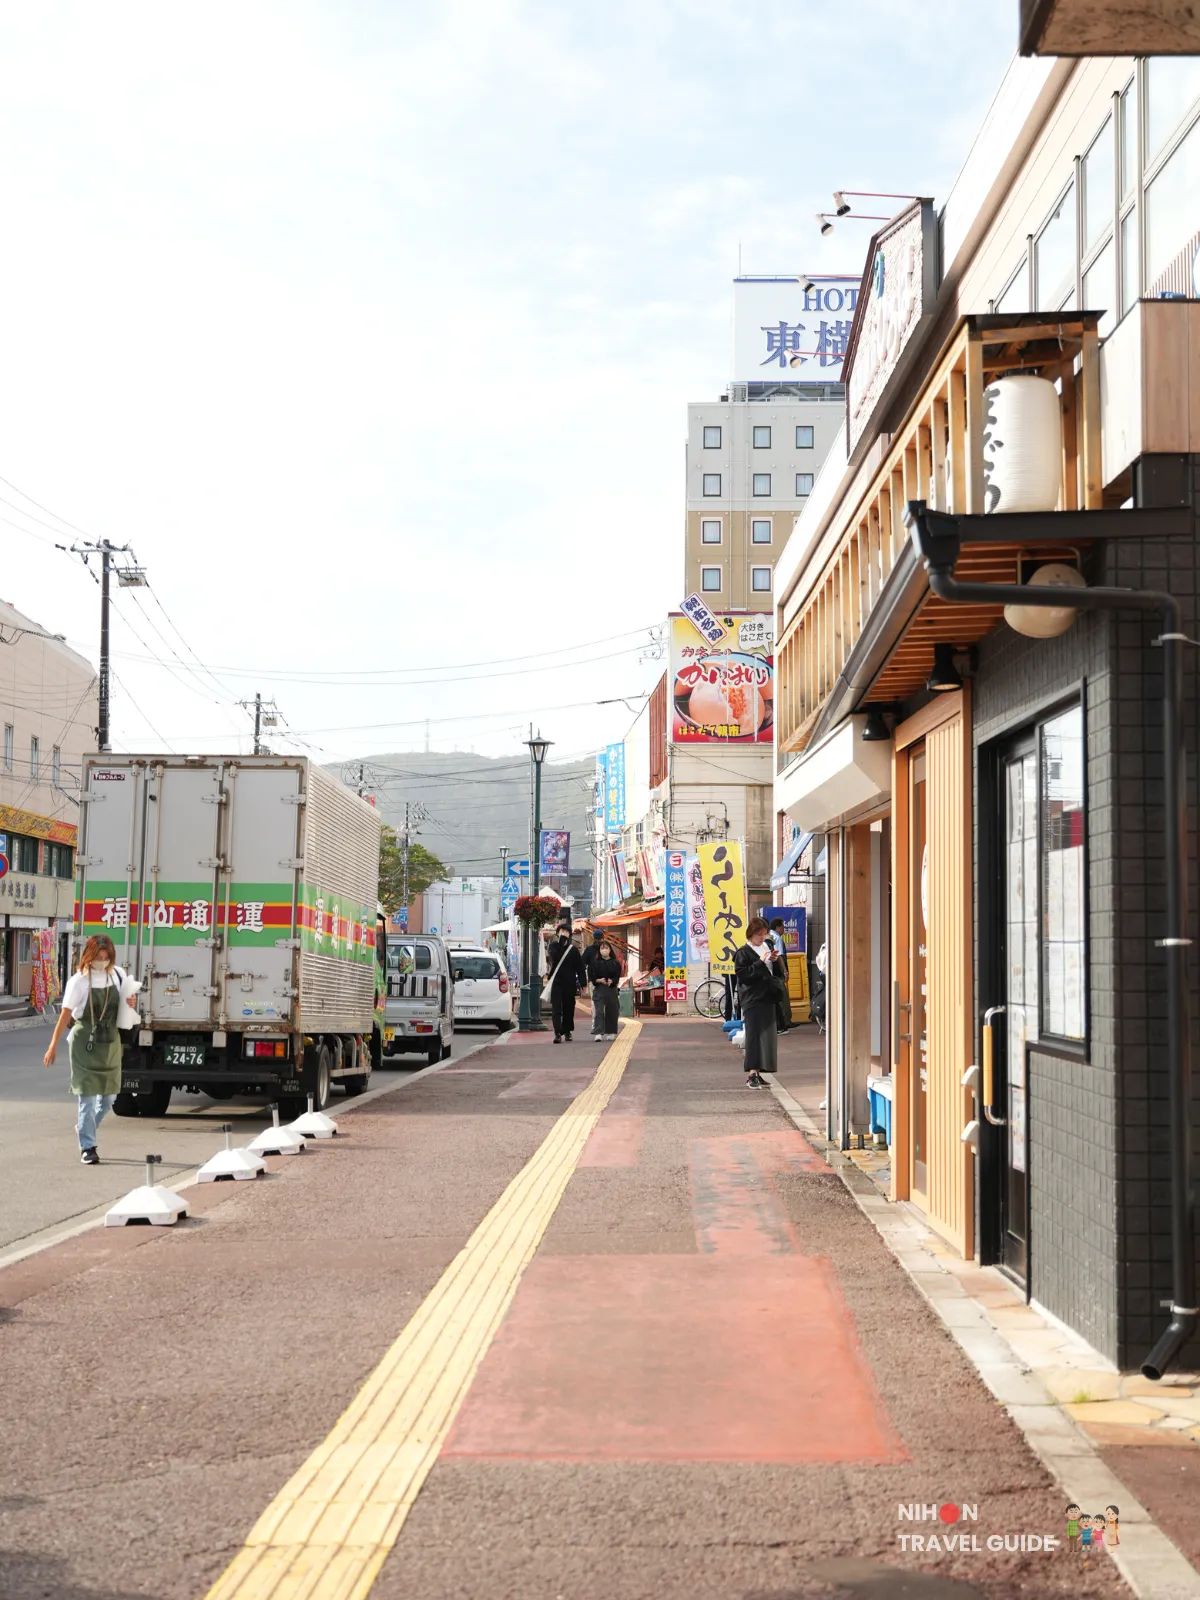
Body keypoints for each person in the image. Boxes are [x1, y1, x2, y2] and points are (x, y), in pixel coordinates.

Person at [42, 934, 138, 1164]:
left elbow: (128, 1002)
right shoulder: (79, 981)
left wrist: (131, 1003)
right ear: (89, 956)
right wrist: (52, 1045)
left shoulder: (117, 975)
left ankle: (84, 1127)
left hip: (111, 1043)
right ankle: (88, 1147)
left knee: (108, 1099)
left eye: (106, 957)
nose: (102, 961)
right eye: (98, 957)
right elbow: (65, 1015)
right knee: (86, 1097)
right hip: (84, 1042)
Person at [734, 917, 785, 1089]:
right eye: (759, 935)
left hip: (767, 996)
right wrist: (761, 962)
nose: (762, 938)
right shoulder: (743, 952)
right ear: (751, 934)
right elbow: (743, 975)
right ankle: (752, 1074)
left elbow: (772, 971)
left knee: (766, 1036)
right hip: (753, 999)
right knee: (754, 1036)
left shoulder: (767, 946)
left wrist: (774, 960)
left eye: (764, 934)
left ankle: (759, 1072)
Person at [545, 924, 586, 1043]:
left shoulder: (573, 950)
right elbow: (555, 957)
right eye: (562, 931)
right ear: (557, 933)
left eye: (566, 931)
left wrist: (583, 981)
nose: (564, 933)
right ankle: (557, 1033)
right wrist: (562, 940)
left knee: (569, 1008)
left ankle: (567, 1031)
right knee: (556, 1009)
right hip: (556, 983)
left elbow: (580, 967)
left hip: (569, 983)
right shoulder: (553, 947)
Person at [590, 939, 622, 1039]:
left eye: (606, 948)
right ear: (599, 950)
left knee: (612, 1010)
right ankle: (598, 1033)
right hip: (599, 989)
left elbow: (617, 976)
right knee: (598, 1011)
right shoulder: (595, 963)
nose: (604, 950)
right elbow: (592, 976)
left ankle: (611, 1032)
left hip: (611, 989)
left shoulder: (615, 963)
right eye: (602, 948)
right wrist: (599, 980)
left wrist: (612, 981)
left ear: (610, 950)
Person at [769, 919, 793, 1033]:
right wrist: (785, 971)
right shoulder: (776, 938)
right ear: (778, 927)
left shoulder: (770, 937)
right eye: (783, 927)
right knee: (782, 997)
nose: (784, 929)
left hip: (773, 973)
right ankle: (784, 1022)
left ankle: (784, 1021)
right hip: (777, 973)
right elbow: (779, 956)